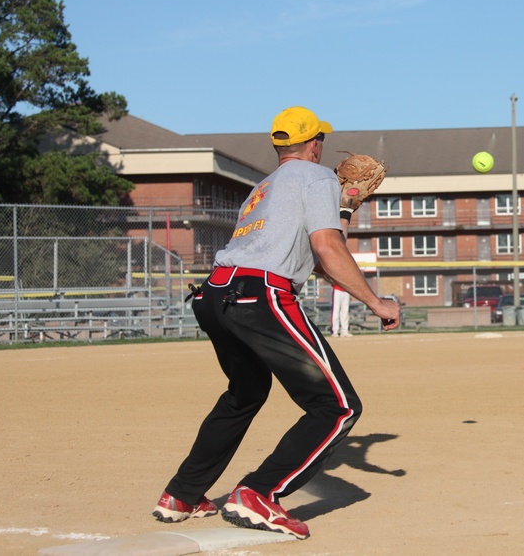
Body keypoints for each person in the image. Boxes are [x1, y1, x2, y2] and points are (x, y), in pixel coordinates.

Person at [151, 106, 400, 540]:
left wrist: (344, 209)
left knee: (245, 393)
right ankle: (259, 493)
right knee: (338, 407)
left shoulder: (263, 189)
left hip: (214, 294)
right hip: (259, 297)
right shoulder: (317, 176)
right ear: (314, 143)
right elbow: (327, 249)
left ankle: (183, 495)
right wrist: (377, 303)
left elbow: (316, 257)